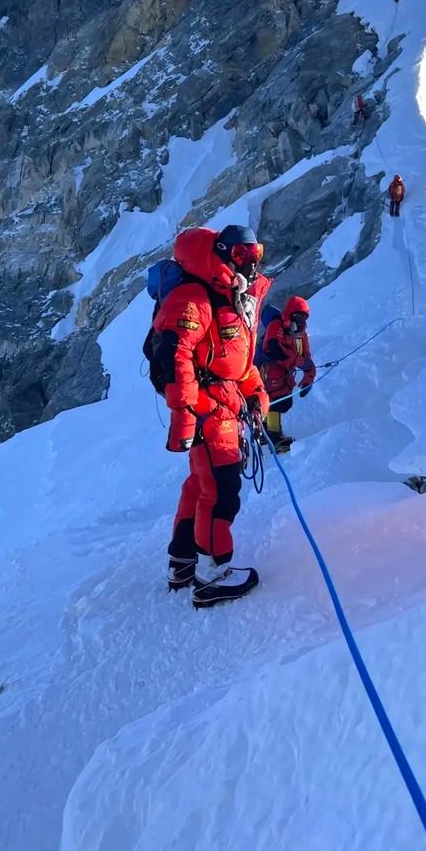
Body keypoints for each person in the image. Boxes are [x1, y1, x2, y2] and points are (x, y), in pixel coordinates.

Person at [151, 225, 270, 606]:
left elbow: (236, 363)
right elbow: (175, 358)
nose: (250, 263)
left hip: (222, 405)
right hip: (207, 410)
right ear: (219, 254)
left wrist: (255, 396)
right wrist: (185, 418)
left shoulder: (228, 297)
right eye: (240, 255)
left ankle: (182, 562)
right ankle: (212, 575)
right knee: (220, 492)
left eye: (256, 254)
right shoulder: (193, 297)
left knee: (200, 485)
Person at [260, 296, 316, 452]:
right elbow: (273, 349)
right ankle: (274, 438)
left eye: (303, 317)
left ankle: (264, 432)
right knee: (276, 401)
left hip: (285, 374)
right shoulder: (276, 326)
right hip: (270, 370)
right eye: (298, 315)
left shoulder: (301, 334)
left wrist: (309, 375)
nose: (300, 320)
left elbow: (306, 356)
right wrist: (299, 362)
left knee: (281, 401)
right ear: (290, 314)